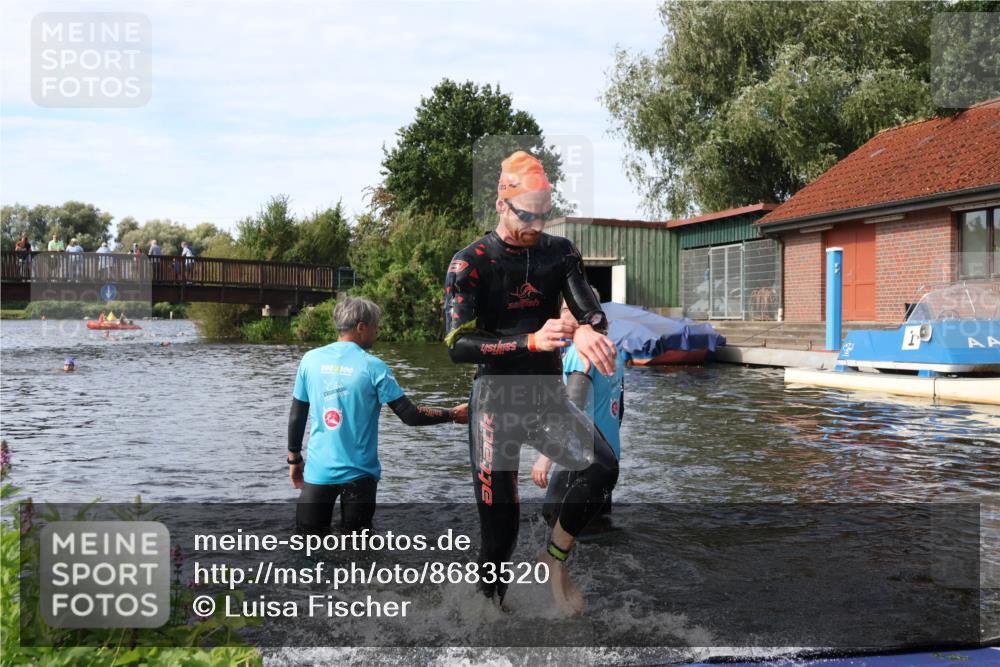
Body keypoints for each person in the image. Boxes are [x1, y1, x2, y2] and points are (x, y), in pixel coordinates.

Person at [443, 150, 619, 615]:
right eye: (527, 216)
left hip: (545, 399)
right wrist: (530, 342)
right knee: (501, 533)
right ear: (502, 204)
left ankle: (554, 558)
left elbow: (590, 310)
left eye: (544, 216)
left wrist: (585, 329)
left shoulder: (559, 253)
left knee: (602, 468)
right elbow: (458, 345)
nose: (536, 226)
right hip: (495, 405)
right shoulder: (471, 263)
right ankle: (486, 621)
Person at [288, 296, 469, 535]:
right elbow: (411, 415)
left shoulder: (310, 360)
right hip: (360, 476)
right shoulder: (373, 367)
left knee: (307, 544)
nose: (377, 331)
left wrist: (294, 459)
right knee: (359, 550)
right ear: (361, 327)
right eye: (375, 326)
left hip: (318, 472)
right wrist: (452, 414)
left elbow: (297, 414)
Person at [532, 294, 626, 521]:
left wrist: (545, 458)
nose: (560, 314)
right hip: (608, 456)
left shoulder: (578, 353)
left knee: (552, 519)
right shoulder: (612, 351)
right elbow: (619, 411)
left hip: (579, 456)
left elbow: (571, 410)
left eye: (565, 309)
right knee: (598, 526)